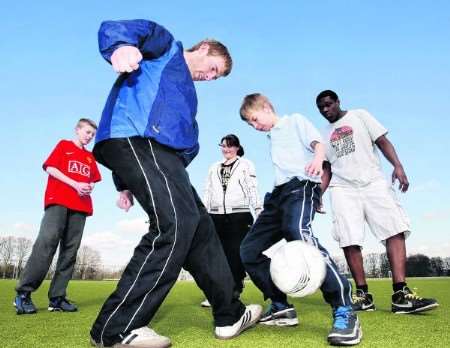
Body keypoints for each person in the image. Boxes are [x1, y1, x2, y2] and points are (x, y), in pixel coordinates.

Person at [89, 19, 262, 348]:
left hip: (163, 160)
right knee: (175, 224)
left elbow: (181, 149)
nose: (210, 77)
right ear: (205, 49)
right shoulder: (166, 49)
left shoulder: (187, 95)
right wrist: (121, 47)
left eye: (216, 77)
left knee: (199, 227)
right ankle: (115, 329)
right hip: (138, 140)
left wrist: (126, 180)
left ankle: (229, 313)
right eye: (213, 68)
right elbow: (132, 29)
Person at [239, 93, 362, 346]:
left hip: (301, 186)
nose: (255, 126)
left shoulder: (294, 121)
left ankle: (344, 308)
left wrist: (317, 160)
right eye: (250, 125)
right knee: (248, 250)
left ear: (265, 107)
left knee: (297, 232)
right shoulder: (272, 136)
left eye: (254, 119)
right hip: (277, 196)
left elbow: (319, 145)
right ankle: (281, 305)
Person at [316, 90, 439, 314]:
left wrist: (398, 166)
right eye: (321, 108)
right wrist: (318, 194)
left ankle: (400, 294)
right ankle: (363, 295)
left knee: (394, 229)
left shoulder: (360, 115)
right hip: (343, 189)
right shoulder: (322, 134)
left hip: (372, 182)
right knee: (348, 238)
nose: (325, 110)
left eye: (328, 104)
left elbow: (382, 141)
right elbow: (326, 169)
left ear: (337, 102)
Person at [14, 118, 101, 314]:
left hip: (81, 206)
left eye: (92, 135)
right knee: (47, 243)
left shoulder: (90, 157)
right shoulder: (64, 145)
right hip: (59, 200)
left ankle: (57, 298)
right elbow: (51, 168)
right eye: (87, 132)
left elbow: (93, 179)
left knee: (70, 252)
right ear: (77, 130)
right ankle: (23, 294)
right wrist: (75, 184)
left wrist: (88, 186)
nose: (90, 137)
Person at [201, 134, 262, 307]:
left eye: (230, 146)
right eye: (223, 146)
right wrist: (204, 211)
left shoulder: (245, 164)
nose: (226, 149)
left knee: (235, 255)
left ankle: (234, 290)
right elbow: (208, 190)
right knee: (217, 256)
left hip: (239, 215)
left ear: (237, 147)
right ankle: (217, 294)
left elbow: (252, 188)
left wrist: (258, 209)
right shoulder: (213, 167)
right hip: (216, 216)